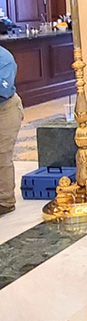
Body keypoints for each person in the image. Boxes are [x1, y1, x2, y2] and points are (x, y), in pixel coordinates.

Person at [0, 44, 22, 215]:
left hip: (5, 109)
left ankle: (5, 201)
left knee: (2, 155)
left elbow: (3, 90)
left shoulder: (4, 58)